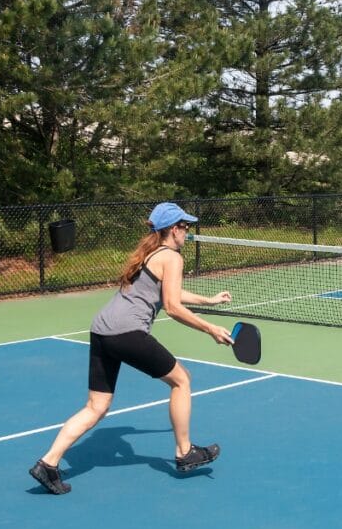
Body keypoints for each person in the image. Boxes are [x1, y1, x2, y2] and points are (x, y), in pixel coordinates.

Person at [29, 202, 234, 495]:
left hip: (102, 330)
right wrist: (211, 328)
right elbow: (173, 306)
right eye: (185, 226)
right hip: (127, 332)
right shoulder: (172, 257)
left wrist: (209, 301)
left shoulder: (150, 253)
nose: (187, 232)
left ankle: (47, 464)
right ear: (173, 229)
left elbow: (168, 293)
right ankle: (185, 452)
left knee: (96, 406)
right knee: (182, 380)